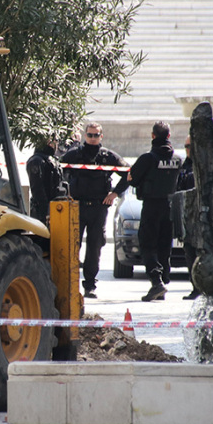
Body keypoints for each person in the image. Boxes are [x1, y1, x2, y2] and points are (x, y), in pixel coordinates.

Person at [61, 122, 129, 299]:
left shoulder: (107, 157)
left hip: (98, 208)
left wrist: (115, 193)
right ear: (85, 136)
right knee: (73, 246)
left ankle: (90, 285)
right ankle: (70, 284)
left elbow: (129, 173)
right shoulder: (74, 155)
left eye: (96, 135)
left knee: (94, 247)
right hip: (77, 206)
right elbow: (58, 172)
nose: (92, 139)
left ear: (101, 136)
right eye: (89, 135)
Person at [128, 122, 183, 301]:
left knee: (147, 244)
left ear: (153, 136)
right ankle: (163, 282)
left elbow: (132, 178)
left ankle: (156, 281)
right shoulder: (177, 159)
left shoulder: (147, 158)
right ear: (168, 136)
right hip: (169, 206)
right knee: (164, 245)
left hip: (152, 206)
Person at [176, 135, 201, 300]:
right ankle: (195, 287)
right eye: (186, 146)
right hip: (187, 217)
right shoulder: (184, 166)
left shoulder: (204, 166)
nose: (188, 150)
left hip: (202, 217)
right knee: (189, 253)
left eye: (190, 146)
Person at [26, 139, 67, 226]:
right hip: (42, 211)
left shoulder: (52, 159)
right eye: (55, 141)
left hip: (56, 207)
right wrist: (45, 211)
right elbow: (37, 188)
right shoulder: (37, 160)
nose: (56, 144)